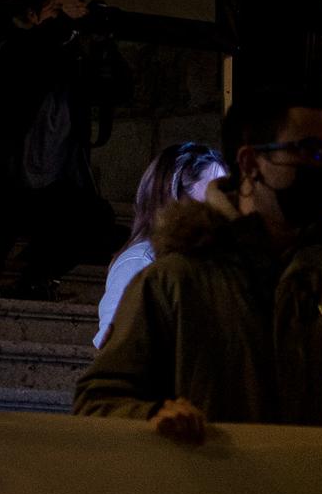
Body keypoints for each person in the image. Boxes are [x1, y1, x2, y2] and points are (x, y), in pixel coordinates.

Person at [75, 96, 322, 452]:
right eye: (310, 152)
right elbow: (100, 399)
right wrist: (154, 416)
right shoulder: (172, 283)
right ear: (251, 163)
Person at [0, 0, 133, 299]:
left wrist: (102, 43)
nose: (68, 19)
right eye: (57, 10)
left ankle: (37, 277)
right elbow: (22, 72)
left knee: (97, 222)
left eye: (75, 10)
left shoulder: (74, 61)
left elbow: (119, 90)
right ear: (32, 15)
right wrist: (61, 31)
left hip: (50, 187)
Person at [92, 141, 228, 348]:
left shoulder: (208, 263)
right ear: (172, 198)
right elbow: (115, 346)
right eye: (210, 198)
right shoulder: (140, 261)